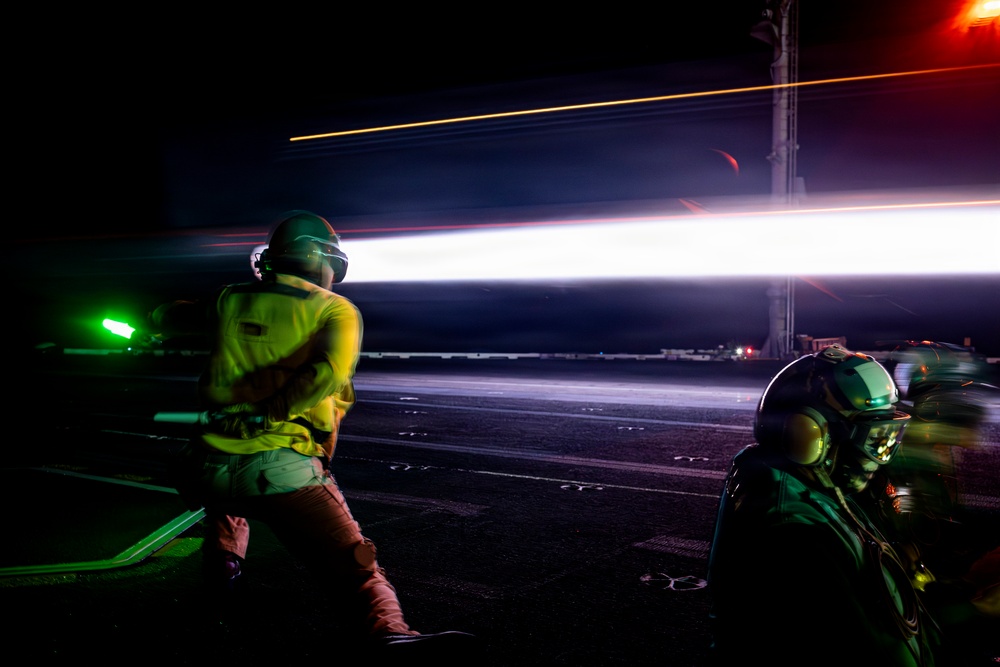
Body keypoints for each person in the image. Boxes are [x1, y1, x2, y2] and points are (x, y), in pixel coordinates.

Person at [151, 210, 477, 659]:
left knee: (229, 509)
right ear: (326, 259)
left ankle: (219, 587)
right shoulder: (334, 308)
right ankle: (389, 633)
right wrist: (270, 412)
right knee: (356, 561)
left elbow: (172, 317)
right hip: (282, 468)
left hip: (207, 465)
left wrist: (163, 313)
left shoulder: (231, 298)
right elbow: (325, 374)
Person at [706, 344, 944, 666]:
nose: (879, 457)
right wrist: (971, 608)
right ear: (809, 435)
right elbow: (872, 646)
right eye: (873, 438)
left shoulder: (807, 484)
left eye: (889, 437)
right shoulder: (794, 534)